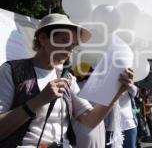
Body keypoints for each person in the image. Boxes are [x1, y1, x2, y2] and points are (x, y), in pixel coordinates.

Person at [0, 13, 134, 148]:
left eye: (74, 44)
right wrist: (38, 100)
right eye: (64, 40)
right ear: (43, 38)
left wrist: (117, 92)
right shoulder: (11, 71)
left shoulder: (67, 78)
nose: (70, 48)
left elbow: (90, 121)